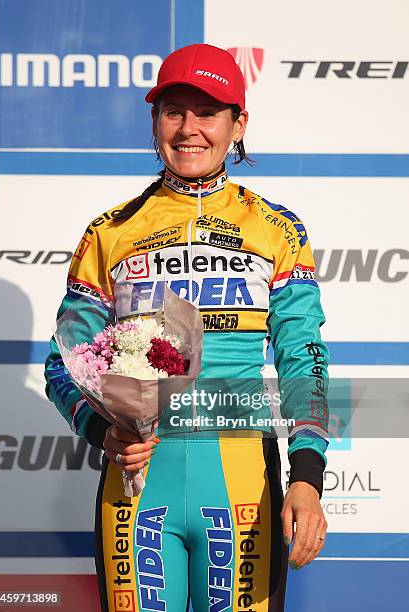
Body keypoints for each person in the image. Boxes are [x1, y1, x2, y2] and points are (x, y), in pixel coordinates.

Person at [45, 43, 329, 612]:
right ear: (154, 120)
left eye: (208, 112)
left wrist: (307, 475)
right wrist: (107, 434)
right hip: (138, 484)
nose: (189, 129)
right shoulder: (110, 232)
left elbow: (304, 356)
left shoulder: (278, 230)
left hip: (243, 475)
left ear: (238, 123)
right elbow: (63, 362)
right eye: (173, 110)